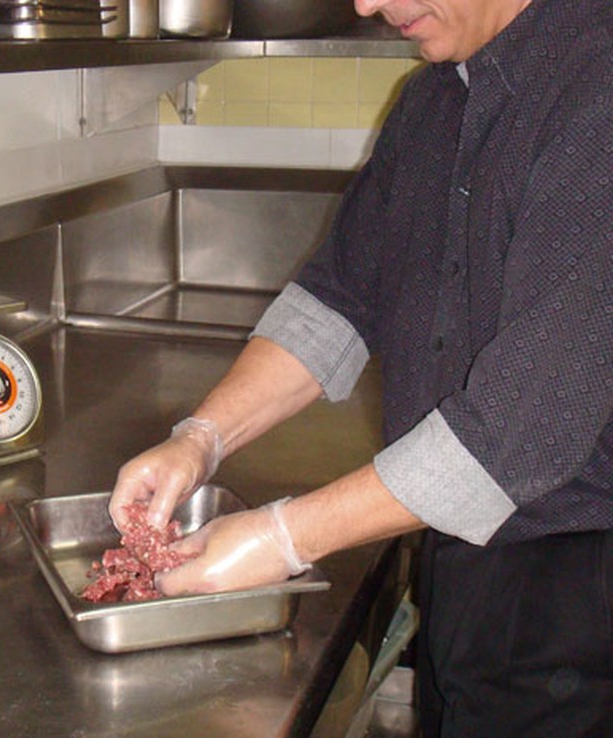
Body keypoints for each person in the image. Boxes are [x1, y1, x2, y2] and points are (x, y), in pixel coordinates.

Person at [108, 0, 612, 735]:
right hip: (464, 546)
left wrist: (283, 538)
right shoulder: (436, 96)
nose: (367, 5)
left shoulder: (597, 89)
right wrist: (202, 437)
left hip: (579, 589)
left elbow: (520, 431)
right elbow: (339, 299)